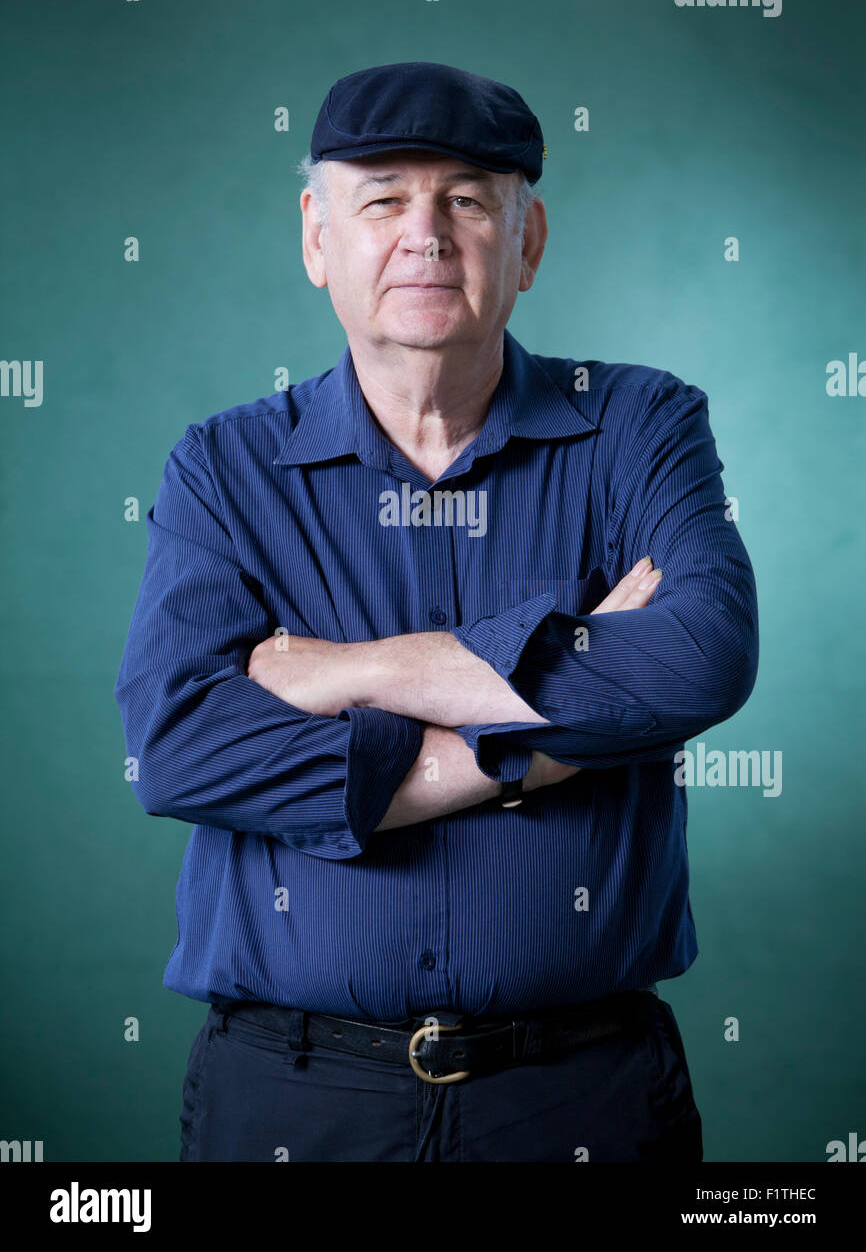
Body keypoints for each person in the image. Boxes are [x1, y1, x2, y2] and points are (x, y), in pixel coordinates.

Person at [114, 61, 759, 1163]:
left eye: (467, 198)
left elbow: (698, 657)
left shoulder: (640, 425)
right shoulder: (224, 467)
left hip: (581, 1096)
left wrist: (354, 668)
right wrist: (539, 750)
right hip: (292, 1095)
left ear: (529, 240)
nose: (426, 233)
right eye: (382, 199)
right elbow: (179, 749)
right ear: (317, 237)